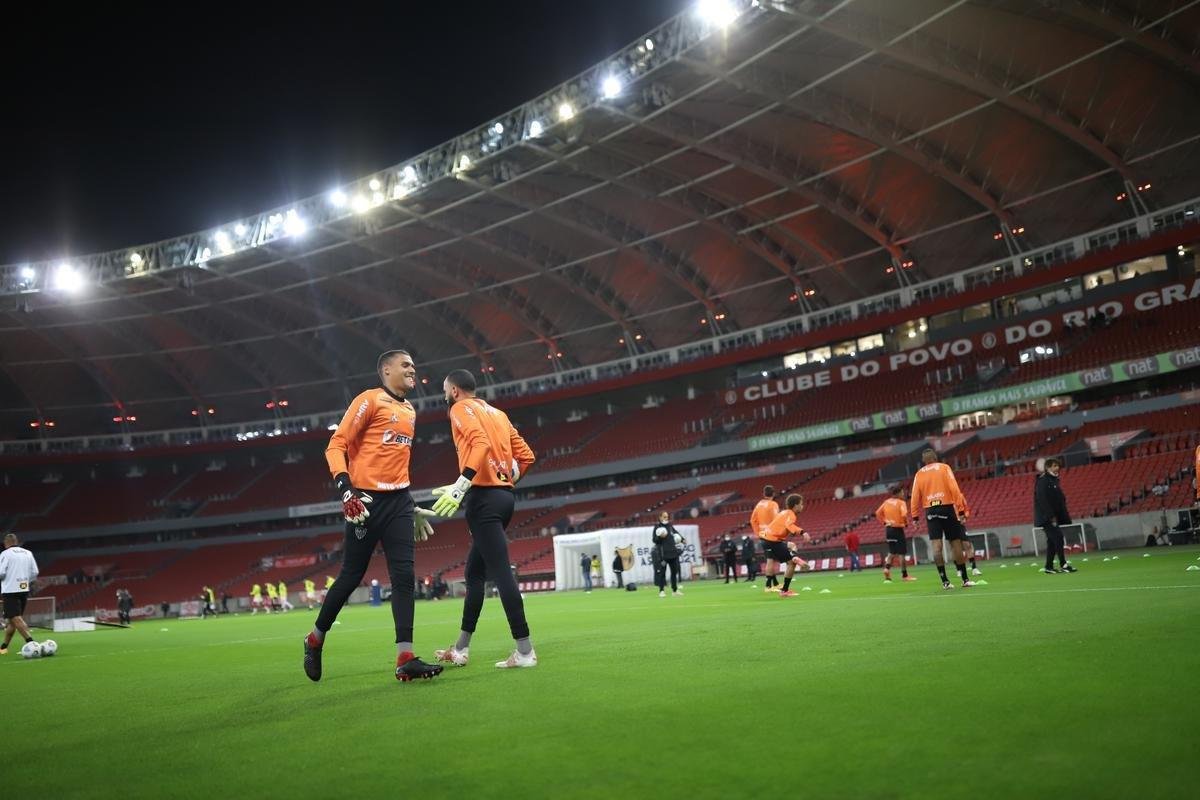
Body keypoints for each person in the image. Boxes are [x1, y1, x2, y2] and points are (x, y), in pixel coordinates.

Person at [303, 349, 443, 683]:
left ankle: (405, 658)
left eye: (413, 365)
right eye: (406, 365)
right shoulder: (369, 400)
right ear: (386, 370)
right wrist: (346, 490)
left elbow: (396, 463)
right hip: (365, 502)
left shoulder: (410, 410)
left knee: (404, 576)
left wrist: (410, 505)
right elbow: (335, 446)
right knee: (351, 576)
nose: (413, 369)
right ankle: (314, 639)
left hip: (399, 503)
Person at [430, 368, 538, 670]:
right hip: (504, 498)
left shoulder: (459, 408)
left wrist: (460, 486)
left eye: (445, 390)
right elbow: (527, 456)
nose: (446, 395)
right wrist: (505, 477)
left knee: (501, 572)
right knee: (475, 572)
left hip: (483, 500)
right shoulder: (499, 414)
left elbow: (479, 444)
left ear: (454, 391)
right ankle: (460, 648)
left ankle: (525, 651)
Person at [910, 448, 976, 590]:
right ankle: (965, 579)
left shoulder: (919, 474)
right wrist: (961, 510)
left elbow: (914, 496)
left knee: (937, 546)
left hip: (930, 510)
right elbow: (954, 488)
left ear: (924, 461)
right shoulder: (944, 468)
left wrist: (915, 516)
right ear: (935, 457)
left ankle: (945, 581)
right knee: (955, 543)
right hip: (946, 507)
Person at [760, 495, 811, 597]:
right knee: (791, 563)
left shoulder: (783, 512)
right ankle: (784, 591)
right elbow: (789, 525)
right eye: (801, 504)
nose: (802, 506)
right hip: (773, 541)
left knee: (791, 545)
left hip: (765, 539)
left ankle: (794, 556)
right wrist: (802, 532)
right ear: (795, 505)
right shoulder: (791, 514)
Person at [1034, 458, 1077, 574]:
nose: (1057, 467)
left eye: (1057, 465)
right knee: (1058, 537)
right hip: (1046, 517)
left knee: (1052, 541)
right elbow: (1042, 500)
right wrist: (1051, 516)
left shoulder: (1053, 480)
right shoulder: (1043, 480)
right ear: (1048, 468)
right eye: (1054, 466)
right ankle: (1063, 564)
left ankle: (1048, 567)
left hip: (1051, 516)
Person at [0, 533, 39, 655]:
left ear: (5, 543)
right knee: (13, 621)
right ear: (16, 541)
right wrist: (25, 581)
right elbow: (35, 572)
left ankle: (32, 644)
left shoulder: (5, 554)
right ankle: (3, 648)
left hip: (10, 590)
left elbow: (1, 573)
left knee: (15, 618)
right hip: (24, 589)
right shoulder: (28, 553)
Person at [875, 486, 915, 583]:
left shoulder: (886, 502)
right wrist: (905, 523)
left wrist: (884, 522)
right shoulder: (901, 503)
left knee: (892, 552)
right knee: (901, 553)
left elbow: (877, 513)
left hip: (888, 529)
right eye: (902, 492)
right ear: (898, 493)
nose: (903, 494)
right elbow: (904, 514)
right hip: (898, 529)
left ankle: (886, 570)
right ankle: (905, 575)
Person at [749, 486, 780, 589]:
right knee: (770, 560)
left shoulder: (759, 504)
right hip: (772, 535)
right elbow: (777, 519)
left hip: (763, 535)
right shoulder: (773, 504)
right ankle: (768, 586)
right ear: (773, 494)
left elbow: (753, 520)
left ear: (764, 494)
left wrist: (758, 533)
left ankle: (775, 583)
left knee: (770, 559)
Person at [651, 511, 683, 597]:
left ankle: (674, 590)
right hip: (663, 554)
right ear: (660, 517)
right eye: (664, 517)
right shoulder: (657, 527)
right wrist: (660, 537)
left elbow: (676, 533)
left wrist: (682, 539)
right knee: (662, 573)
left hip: (673, 553)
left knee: (674, 572)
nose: (666, 518)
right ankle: (661, 591)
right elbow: (654, 540)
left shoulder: (670, 525)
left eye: (667, 517)